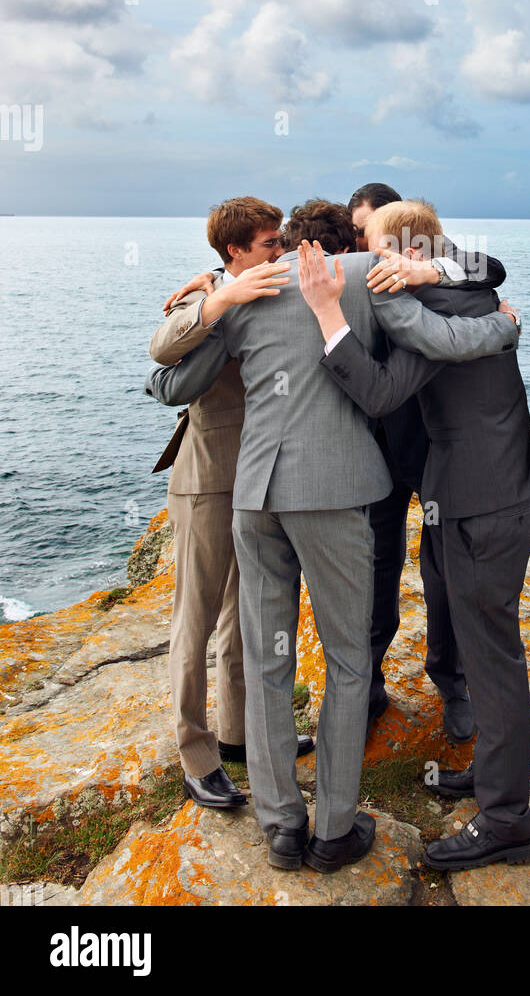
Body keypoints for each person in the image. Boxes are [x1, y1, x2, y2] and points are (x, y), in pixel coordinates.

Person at [147, 201, 519, 875]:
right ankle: (336, 829)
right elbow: (437, 337)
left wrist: (212, 297)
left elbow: (170, 379)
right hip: (333, 492)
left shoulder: (249, 289)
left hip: (255, 496)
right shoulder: (366, 274)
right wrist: (502, 327)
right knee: (349, 664)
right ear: (347, 239)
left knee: (265, 662)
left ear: (283, 243)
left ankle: (283, 827)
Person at [296, 198, 530, 873]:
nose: (368, 258)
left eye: (375, 246)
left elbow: (380, 393)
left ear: (409, 251)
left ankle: (505, 822)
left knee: (492, 657)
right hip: (479, 491)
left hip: (483, 502)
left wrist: (326, 315)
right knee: (480, 641)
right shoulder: (461, 288)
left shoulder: (438, 303)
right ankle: (496, 780)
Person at [146, 196, 313, 811]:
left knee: (247, 615)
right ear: (234, 251)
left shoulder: (280, 284)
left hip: (267, 477)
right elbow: (162, 349)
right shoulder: (203, 299)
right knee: (195, 618)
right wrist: (219, 298)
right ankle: (196, 753)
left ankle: (239, 734)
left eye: (281, 241)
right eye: (270, 243)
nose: (281, 251)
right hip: (210, 478)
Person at [347, 182, 507, 743]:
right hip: (376, 447)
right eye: (358, 236)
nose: (363, 247)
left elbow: (492, 266)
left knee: (442, 573)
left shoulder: (438, 262)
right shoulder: (354, 265)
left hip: (440, 449)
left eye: (369, 234)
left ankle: (453, 683)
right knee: (374, 567)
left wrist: (429, 275)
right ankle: (365, 682)